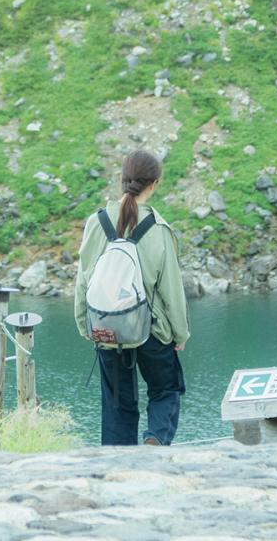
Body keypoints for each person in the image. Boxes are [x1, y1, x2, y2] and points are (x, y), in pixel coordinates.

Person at [74, 149, 189, 446]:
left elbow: (83, 278)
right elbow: (171, 290)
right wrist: (180, 334)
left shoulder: (96, 222)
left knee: (117, 404)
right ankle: (155, 441)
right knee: (166, 390)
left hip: (107, 327)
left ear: (122, 180)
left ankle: (117, 462)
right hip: (152, 328)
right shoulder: (159, 228)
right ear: (155, 184)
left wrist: (85, 324)